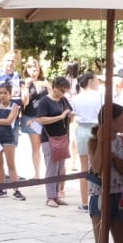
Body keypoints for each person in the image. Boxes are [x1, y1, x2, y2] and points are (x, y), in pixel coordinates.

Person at [87, 105, 123, 243]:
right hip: (100, 196)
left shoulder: (122, 142)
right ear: (111, 120)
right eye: (122, 118)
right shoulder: (94, 141)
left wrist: (113, 158)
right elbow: (97, 168)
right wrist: (102, 142)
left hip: (119, 195)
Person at [34, 75, 74, 207]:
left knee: (60, 168)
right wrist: (60, 116)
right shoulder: (45, 101)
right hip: (49, 138)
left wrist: (69, 116)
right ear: (54, 87)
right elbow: (41, 119)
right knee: (51, 167)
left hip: (62, 137)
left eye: (65, 91)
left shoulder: (63, 101)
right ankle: (50, 197)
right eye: (62, 90)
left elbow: (69, 117)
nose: (63, 94)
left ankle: (56, 195)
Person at [72, 71, 105, 210]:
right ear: (91, 81)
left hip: (82, 129)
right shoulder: (100, 96)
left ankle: (85, 201)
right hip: (96, 129)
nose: (98, 82)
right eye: (97, 80)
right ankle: (98, 199)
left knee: (84, 167)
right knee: (98, 167)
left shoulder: (76, 98)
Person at [0, 82, 23, 199]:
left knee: (11, 164)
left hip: (8, 137)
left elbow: (8, 121)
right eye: (0, 93)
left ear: (10, 94)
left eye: (5, 93)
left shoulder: (14, 107)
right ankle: (2, 189)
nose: (2, 95)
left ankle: (16, 190)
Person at [18, 57, 49, 180]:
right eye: (30, 69)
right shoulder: (24, 83)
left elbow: (52, 96)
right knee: (36, 146)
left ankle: (49, 172)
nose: (33, 72)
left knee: (46, 145)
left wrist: (49, 86)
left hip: (44, 118)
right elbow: (25, 102)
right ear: (27, 70)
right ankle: (37, 174)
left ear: (39, 70)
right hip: (30, 116)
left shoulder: (44, 82)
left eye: (35, 69)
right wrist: (26, 86)